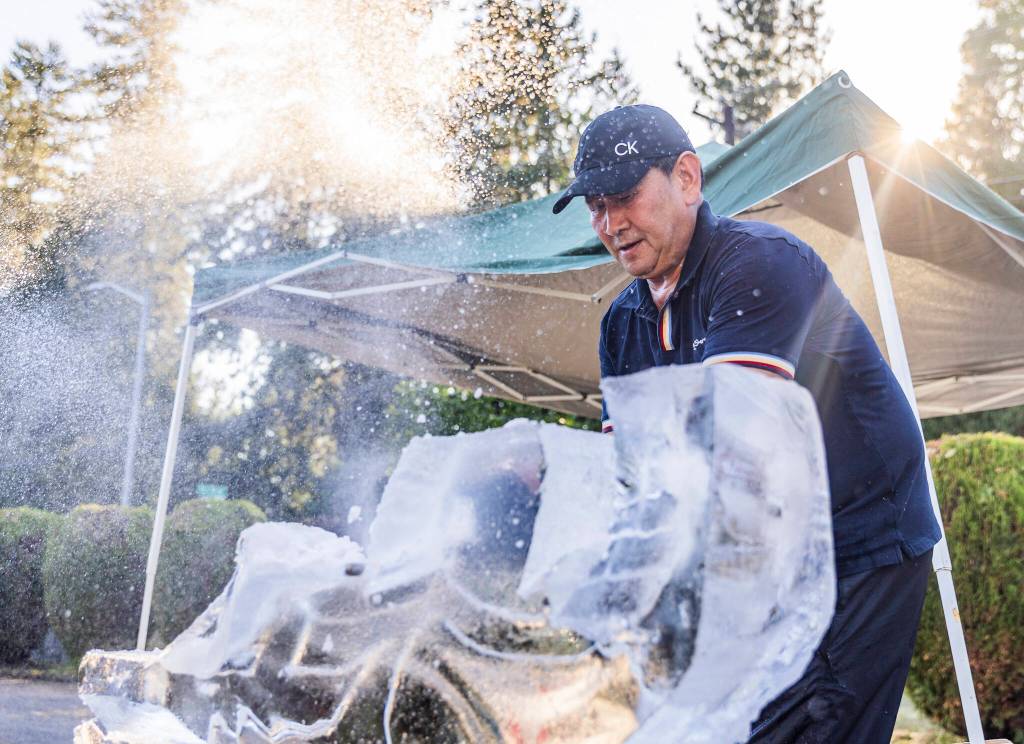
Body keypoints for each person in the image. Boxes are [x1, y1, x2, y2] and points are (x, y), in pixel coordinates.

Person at [552, 104, 942, 743]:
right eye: (595, 206)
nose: (611, 223)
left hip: (862, 534)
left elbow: (734, 450)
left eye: (623, 196)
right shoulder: (622, 325)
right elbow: (632, 482)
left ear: (686, 178)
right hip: (765, 550)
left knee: (808, 724)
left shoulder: (760, 264)